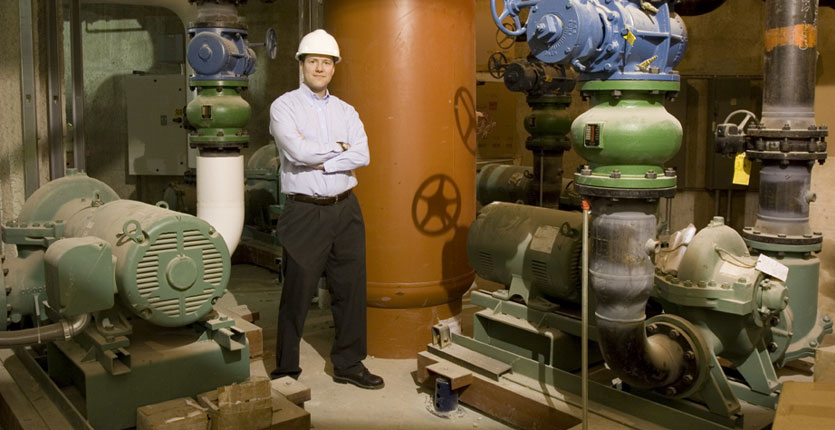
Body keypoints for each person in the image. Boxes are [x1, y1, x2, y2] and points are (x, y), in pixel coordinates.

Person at [268, 29, 383, 390]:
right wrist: (339, 150)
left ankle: (349, 363)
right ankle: (287, 370)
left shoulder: (347, 111)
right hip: (305, 212)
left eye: (327, 62)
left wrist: (323, 159)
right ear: (302, 64)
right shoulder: (284, 106)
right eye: (313, 61)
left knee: (350, 289)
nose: (320, 67)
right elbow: (297, 154)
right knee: (297, 292)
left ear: (334, 68)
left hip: (346, 210)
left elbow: (362, 155)